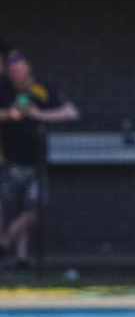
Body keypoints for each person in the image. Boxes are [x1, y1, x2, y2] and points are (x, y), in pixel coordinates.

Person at [0, 52, 79, 267]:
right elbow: (8, 114)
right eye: (12, 69)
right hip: (10, 160)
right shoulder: (3, 89)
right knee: (9, 206)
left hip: (36, 160)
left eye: (20, 68)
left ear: (28, 68)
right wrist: (12, 114)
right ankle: (21, 259)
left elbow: (71, 112)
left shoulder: (43, 88)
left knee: (35, 208)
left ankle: (7, 239)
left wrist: (37, 114)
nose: (17, 73)